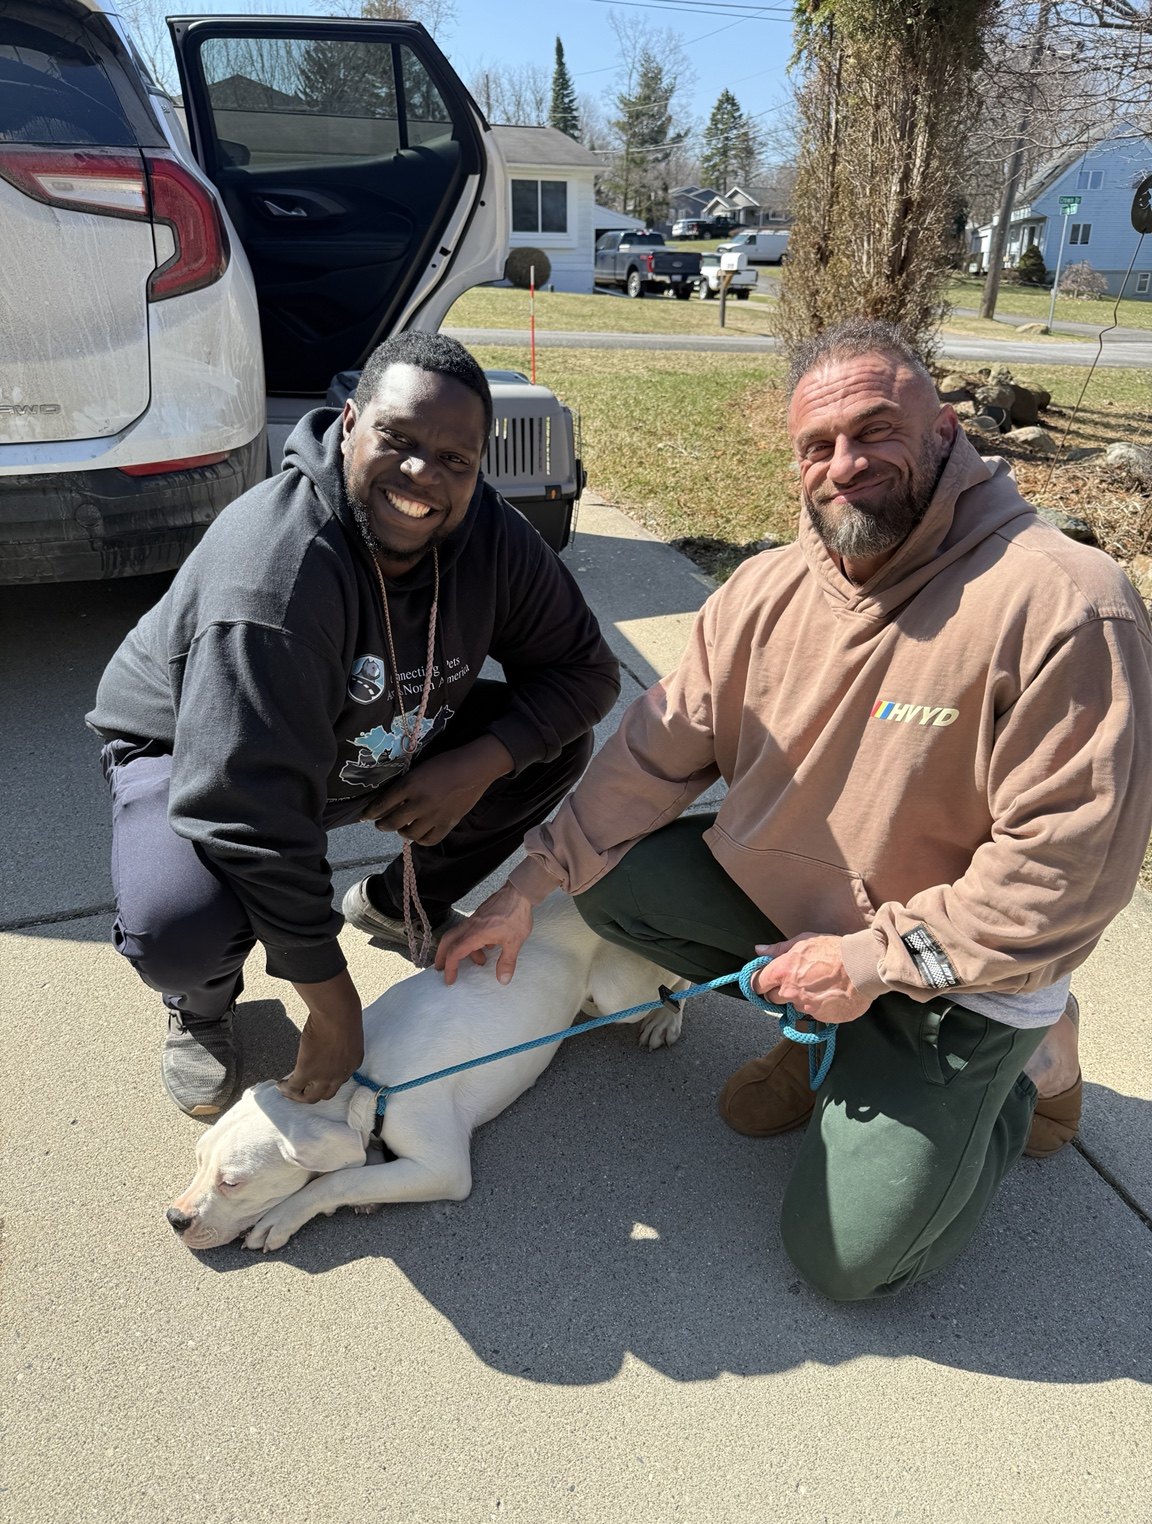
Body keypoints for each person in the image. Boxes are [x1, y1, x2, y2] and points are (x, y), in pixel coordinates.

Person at [438, 318, 1152, 1301]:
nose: (843, 465)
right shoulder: (765, 592)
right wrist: (527, 884)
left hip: (964, 980)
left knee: (850, 1263)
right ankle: (835, 1033)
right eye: (817, 446)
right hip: (818, 924)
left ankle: (1034, 1073)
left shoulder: (1065, 605)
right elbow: (653, 750)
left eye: (875, 431)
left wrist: (867, 966)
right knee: (612, 885)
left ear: (946, 430)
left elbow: (1066, 874)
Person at [88, 332, 619, 1118]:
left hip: (368, 738)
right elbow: (246, 812)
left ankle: (399, 901)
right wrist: (334, 1008)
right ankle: (200, 1006)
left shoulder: (494, 538)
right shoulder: (273, 571)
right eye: (398, 441)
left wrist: (476, 762)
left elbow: (586, 673)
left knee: (545, 745)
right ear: (348, 424)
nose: (421, 476)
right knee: (180, 925)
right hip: (196, 754)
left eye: (454, 460)